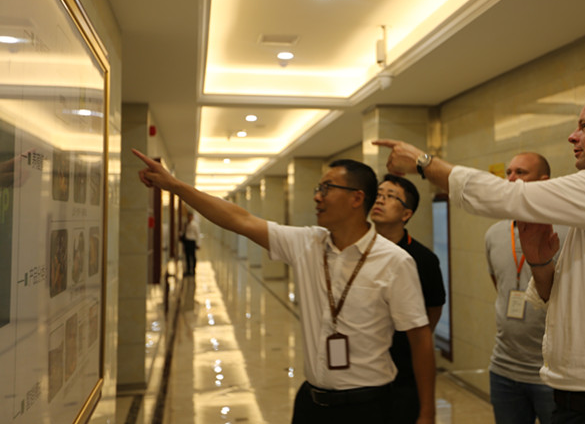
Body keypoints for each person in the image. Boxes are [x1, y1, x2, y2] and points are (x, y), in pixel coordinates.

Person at [374, 85, 585, 424]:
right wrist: (540, 262)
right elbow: (558, 300)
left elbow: (508, 197)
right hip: (584, 404)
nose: (573, 136)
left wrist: (423, 162)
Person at [133, 152, 436, 424]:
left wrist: (427, 414)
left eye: (327, 188)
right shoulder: (307, 243)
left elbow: (420, 340)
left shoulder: (395, 261)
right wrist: (175, 186)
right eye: (318, 188)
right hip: (311, 404)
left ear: (357, 198)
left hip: (369, 407)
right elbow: (239, 219)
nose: (317, 197)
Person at [485, 153, 565, 424]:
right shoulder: (494, 234)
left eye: (521, 173)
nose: (511, 179)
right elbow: (500, 287)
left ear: (543, 181)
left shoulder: (566, 232)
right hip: (503, 368)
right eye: (508, 172)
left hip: (552, 372)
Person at [370, 174, 446, 424]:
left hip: (403, 370)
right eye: (378, 194)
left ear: (406, 214)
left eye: (390, 197)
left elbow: (434, 309)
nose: (380, 200)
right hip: (364, 369)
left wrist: (412, 340)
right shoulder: (359, 250)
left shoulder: (423, 259)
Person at [181, 211, 200, 276]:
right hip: (187, 241)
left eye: (191, 216)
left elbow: (197, 235)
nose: (190, 217)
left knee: (193, 256)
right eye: (189, 216)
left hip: (192, 242)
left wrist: (198, 244)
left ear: (192, 217)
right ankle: (188, 270)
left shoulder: (195, 225)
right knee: (187, 256)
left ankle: (193, 269)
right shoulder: (185, 224)